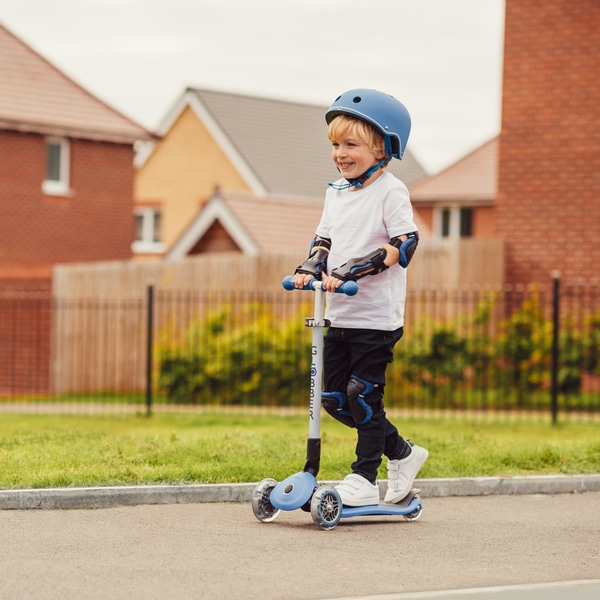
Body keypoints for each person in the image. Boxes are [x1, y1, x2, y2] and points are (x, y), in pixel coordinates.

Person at [292, 88, 428, 507]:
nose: (340, 153)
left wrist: (356, 269)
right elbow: (324, 237)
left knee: (362, 394)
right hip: (340, 312)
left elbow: (405, 242)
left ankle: (365, 477)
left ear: (383, 147)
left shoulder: (391, 191)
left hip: (376, 318)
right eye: (335, 144)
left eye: (351, 144)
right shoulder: (336, 191)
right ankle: (403, 453)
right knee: (334, 398)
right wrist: (312, 267)